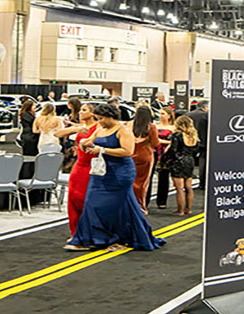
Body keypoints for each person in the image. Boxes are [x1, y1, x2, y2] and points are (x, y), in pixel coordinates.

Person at [66, 103, 165, 252]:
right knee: (92, 203)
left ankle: (115, 238)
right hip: (101, 172)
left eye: (101, 118)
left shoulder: (123, 130)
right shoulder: (100, 129)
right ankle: (87, 238)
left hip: (120, 173)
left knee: (114, 207)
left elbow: (127, 151)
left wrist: (103, 150)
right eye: (98, 119)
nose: (99, 122)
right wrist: (83, 144)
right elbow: (89, 142)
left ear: (110, 117)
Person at [56, 102, 98, 234]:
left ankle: (90, 230)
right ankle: (75, 232)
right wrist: (74, 129)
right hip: (79, 165)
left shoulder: (98, 127)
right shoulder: (81, 127)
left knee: (87, 199)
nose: (80, 113)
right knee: (74, 198)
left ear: (92, 113)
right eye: (80, 110)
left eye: (84, 110)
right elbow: (57, 134)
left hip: (93, 167)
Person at [163, 115, 203, 215]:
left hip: (178, 161)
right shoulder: (193, 136)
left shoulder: (177, 135)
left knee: (179, 188)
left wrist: (164, 159)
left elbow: (173, 150)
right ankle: (188, 209)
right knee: (188, 187)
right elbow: (196, 150)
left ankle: (180, 210)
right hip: (190, 161)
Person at [129, 105, 159, 214]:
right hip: (145, 155)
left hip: (131, 154)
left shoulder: (128, 125)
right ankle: (141, 206)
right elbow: (155, 143)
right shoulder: (151, 127)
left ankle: (129, 205)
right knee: (142, 183)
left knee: (130, 181)